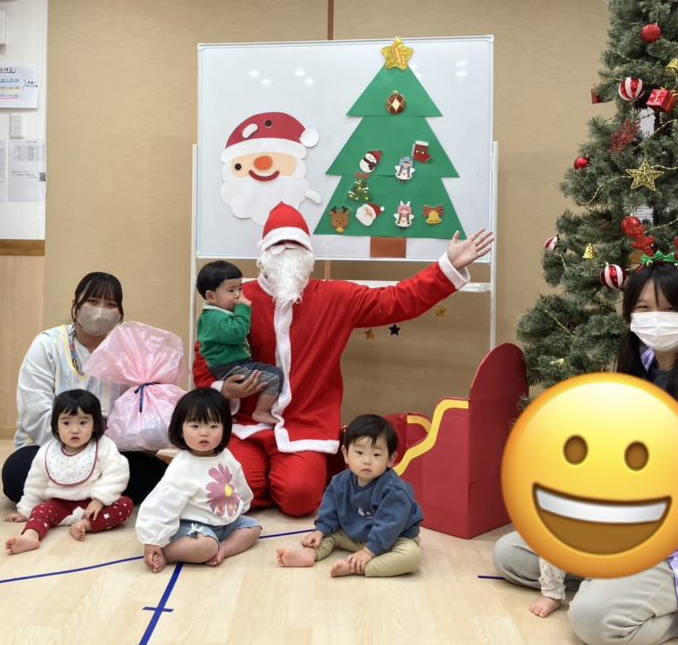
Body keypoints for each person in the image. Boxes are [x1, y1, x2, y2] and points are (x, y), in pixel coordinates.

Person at [493, 260, 678, 644]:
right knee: (511, 554)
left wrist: (642, 481)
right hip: (624, 522)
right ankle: (612, 581)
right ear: (630, 315)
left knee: (592, 621)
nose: (657, 318)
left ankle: (676, 608)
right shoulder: (642, 364)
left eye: (670, 308)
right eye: (644, 308)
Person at [192, 202, 494, 516]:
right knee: (237, 493)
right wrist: (221, 390)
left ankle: (292, 474)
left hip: (305, 426)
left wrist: (447, 267)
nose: (287, 253)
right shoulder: (239, 299)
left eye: (295, 245)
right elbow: (207, 353)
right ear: (264, 253)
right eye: (279, 246)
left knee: (299, 498)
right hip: (246, 424)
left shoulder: (336, 297)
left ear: (309, 254)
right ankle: (267, 475)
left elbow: (396, 300)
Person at [1, 272, 166, 505]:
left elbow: (139, 413)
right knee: (17, 474)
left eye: (110, 305)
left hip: (108, 451)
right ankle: (96, 496)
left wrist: (144, 436)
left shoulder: (128, 352)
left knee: (153, 476)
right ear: (75, 304)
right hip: (52, 448)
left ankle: (70, 497)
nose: (100, 311)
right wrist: (76, 445)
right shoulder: (48, 344)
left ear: (120, 313)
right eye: (93, 301)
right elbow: (34, 411)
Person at [276, 414, 423, 577]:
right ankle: (309, 554)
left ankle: (357, 567)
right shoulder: (340, 481)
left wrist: (369, 551)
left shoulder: (394, 491)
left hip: (393, 539)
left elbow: (389, 524)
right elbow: (330, 509)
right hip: (355, 536)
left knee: (411, 556)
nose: (367, 460)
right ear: (346, 454)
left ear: (390, 459)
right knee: (329, 534)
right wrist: (320, 530)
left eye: (376, 455)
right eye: (359, 452)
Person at [137, 388, 260, 573]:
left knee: (254, 528)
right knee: (205, 547)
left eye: (213, 426)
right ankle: (168, 553)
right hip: (193, 526)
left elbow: (237, 483)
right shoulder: (182, 466)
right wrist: (152, 539)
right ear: (180, 429)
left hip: (223, 522)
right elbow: (162, 504)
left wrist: (241, 506)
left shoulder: (226, 455)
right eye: (195, 426)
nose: (204, 433)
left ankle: (224, 549)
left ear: (225, 428)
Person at [5, 390, 133, 554]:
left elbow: (117, 472)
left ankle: (85, 525)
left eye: (83, 423)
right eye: (66, 423)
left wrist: (100, 500)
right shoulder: (47, 451)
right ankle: (30, 536)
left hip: (92, 505)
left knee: (125, 504)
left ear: (95, 425)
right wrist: (26, 509)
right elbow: (35, 483)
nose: (74, 430)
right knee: (40, 511)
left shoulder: (103, 445)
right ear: (56, 426)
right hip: (60, 505)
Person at [196, 260, 284, 426]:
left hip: (231, 363)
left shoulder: (218, 314)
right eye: (231, 290)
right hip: (229, 366)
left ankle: (226, 416)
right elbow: (237, 334)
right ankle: (261, 412)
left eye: (240, 288)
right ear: (211, 296)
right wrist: (243, 309)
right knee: (274, 377)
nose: (238, 295)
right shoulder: (215, 317)